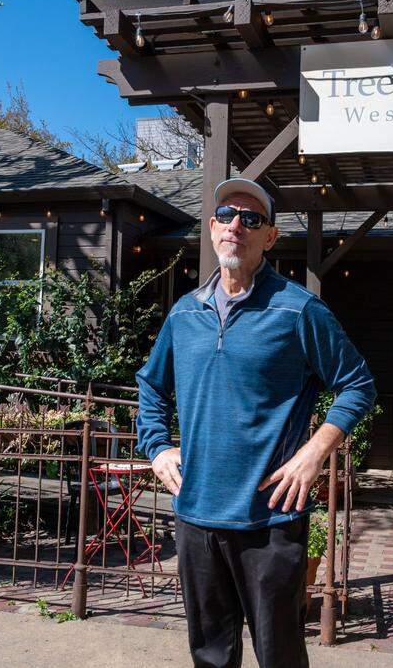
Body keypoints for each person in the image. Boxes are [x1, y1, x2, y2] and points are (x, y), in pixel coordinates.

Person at [136, 177, 376, 668]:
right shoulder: (184, 314)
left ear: (270, 236)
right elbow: (151, 385)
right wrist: (157, 447)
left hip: (271, 519)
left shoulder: (298, 309)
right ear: (211, 229)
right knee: (211, 655)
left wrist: (313, 455)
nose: (235, 226)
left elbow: (358, 384)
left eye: (251, 218)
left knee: (280, 657)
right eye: (226, 215)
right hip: (196, 515)